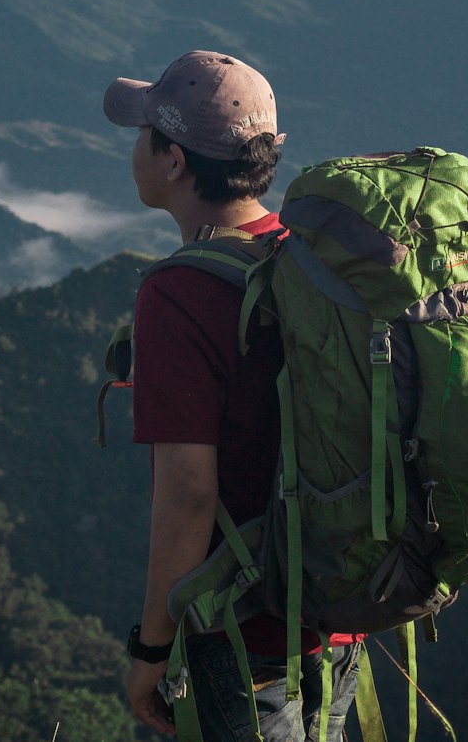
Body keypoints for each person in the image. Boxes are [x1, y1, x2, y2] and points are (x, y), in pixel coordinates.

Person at [102, 49, 361, 742]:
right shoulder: (310, 261)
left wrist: (152, 649)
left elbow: (188, 493)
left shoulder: (178, 293)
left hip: (244, 644)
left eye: (143, 135)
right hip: (337, 624)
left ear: (176, 161)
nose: (135, 149)